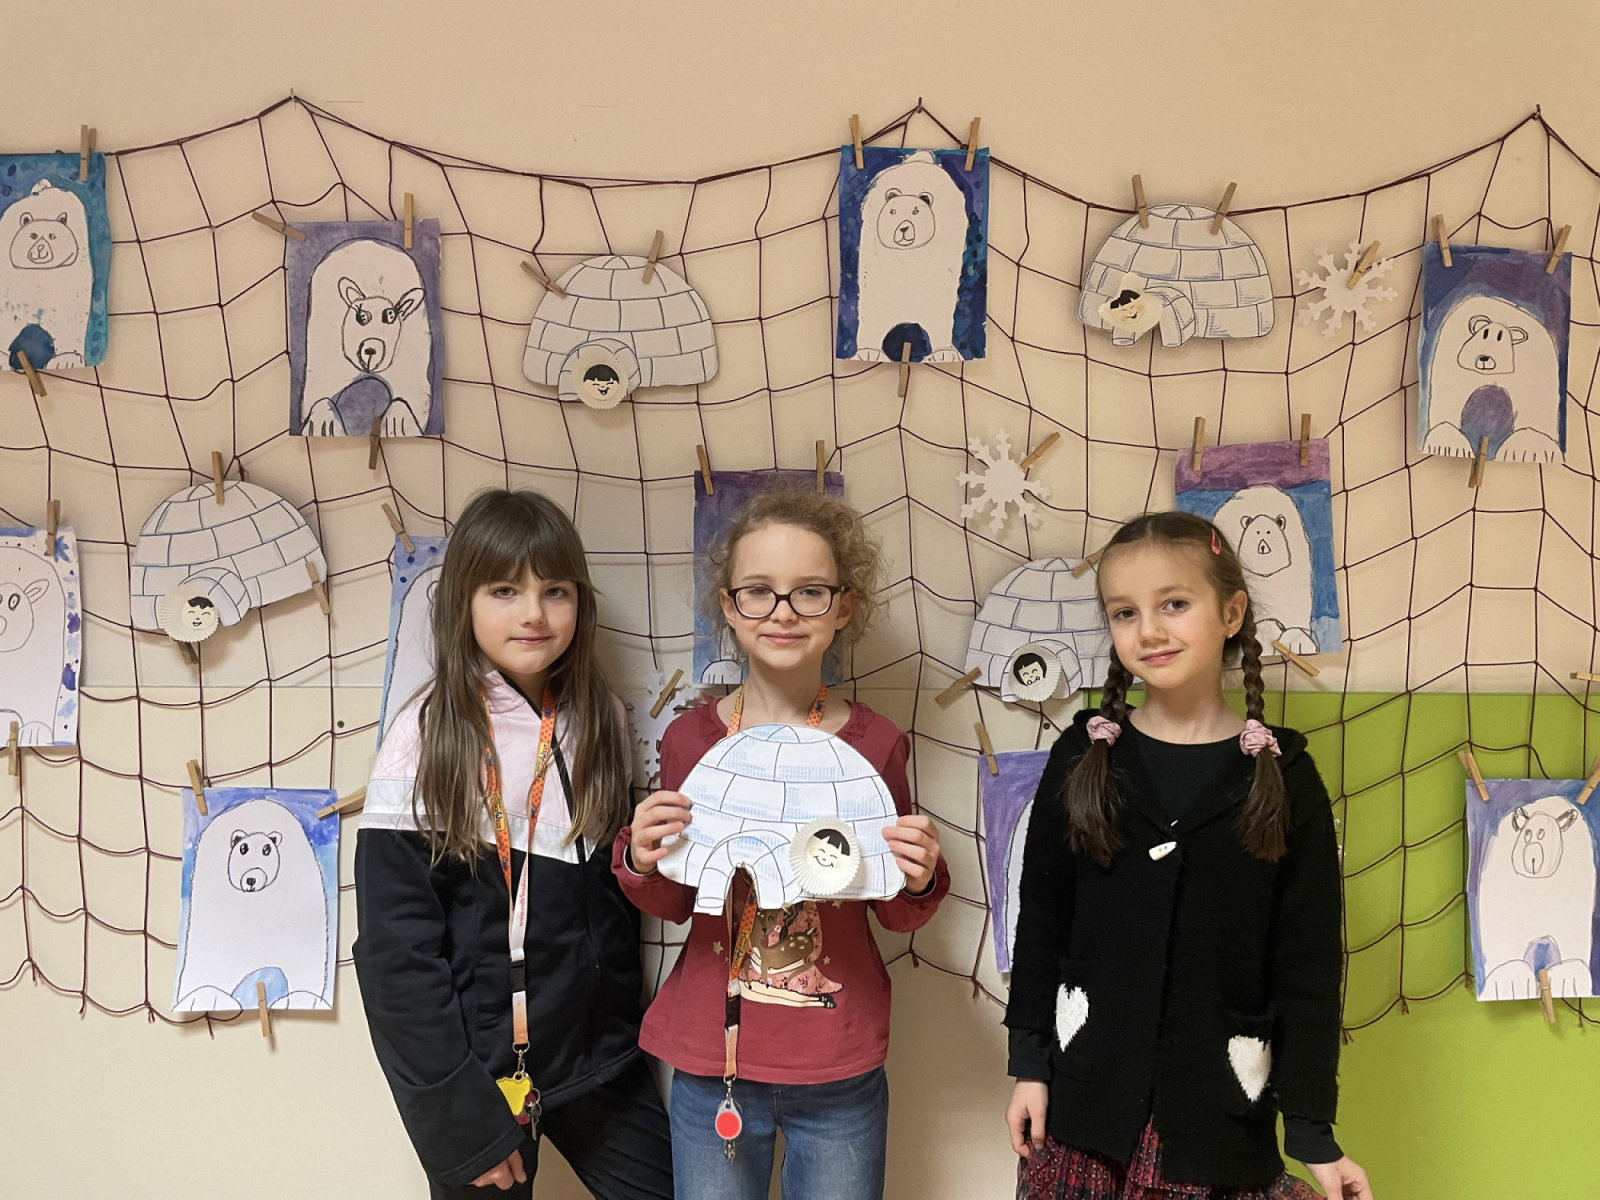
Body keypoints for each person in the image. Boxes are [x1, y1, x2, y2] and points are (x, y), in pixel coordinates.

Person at [1004, 511, 1374, 1200]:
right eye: (1125, 612)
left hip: (1219, 1130)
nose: (1148, 630)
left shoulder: (1286, 777)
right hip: (1083, 1115)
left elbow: (1309, 969)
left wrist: (1312, 1133)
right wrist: (1028, 1064)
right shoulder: (1082, 756)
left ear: (1231, 612)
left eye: (1174, 603)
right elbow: (1043, 921)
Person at [615, 488, 950, 1200]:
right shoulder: (689, 739)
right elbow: (676, 901)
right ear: (729, 607)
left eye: (810, 592)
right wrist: (641, 858)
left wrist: (920, 876)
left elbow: (893, 907)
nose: (784, 612)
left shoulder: (877, 744)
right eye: (759, 592)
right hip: (711, 1060)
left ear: (844, 607)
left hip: (838, 1065)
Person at [353, 488, 672, 1199]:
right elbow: (395, 958)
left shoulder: (602, 719)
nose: (533, 613)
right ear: (462, 602)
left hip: (602, 1064)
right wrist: (458, 1122)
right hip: (483, 1079)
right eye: (505, 590)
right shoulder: (425, 737)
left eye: (555, 591)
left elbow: (614, 903)